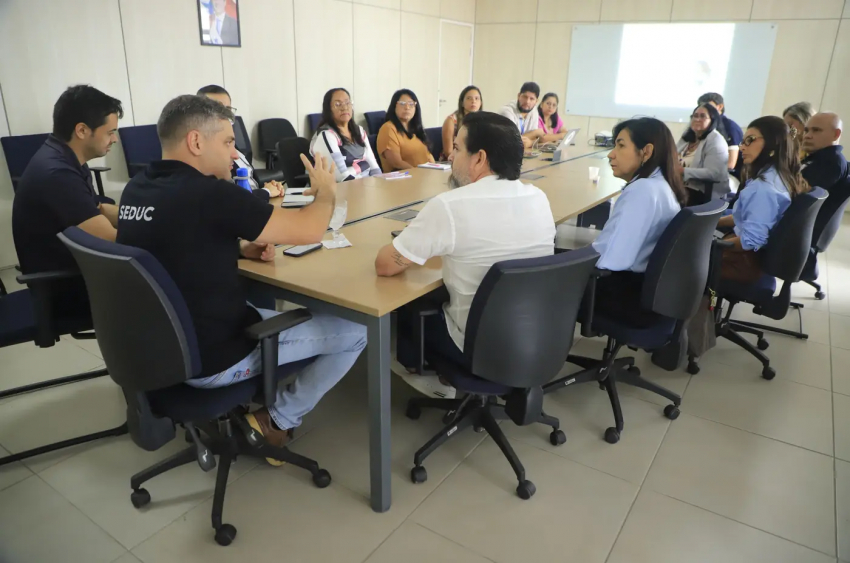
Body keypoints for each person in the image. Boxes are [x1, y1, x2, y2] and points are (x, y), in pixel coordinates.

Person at [117, 95, 366, 460]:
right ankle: (277, 419)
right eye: (229, 142)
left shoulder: (136, 189)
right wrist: (326, 193)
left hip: (159, 350)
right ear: (196, 142)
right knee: (357, 332)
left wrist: (237, 249)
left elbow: (172, 246)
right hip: (214, 357)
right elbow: (311, 229)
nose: (235, 155)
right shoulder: (211, 194)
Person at [374, 111, 555, 397]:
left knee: (410, 299)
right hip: (534, 337)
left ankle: (423, 373)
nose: (449, 157)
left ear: (479, 158)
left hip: (477, 348)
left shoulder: (449, 206)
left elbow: (385, 266)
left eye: (457, 149)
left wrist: (418, 238)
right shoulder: (539, 197)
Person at [12, 84, 123, 319]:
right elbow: (111, 239)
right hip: (66, 290)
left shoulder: (65, 157)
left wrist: (144, 215)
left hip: (76, 274)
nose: (114, 139)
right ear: (82, 130)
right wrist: (158, 229)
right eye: (110, 131)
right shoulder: (57, 173)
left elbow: (97, 209)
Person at [589, 118, 686, 327]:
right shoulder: (662, 185)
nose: (611, 154)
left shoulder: (642, 190)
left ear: (646, 152)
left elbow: (610, 260)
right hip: (648, 293)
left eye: (621, 145)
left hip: (625, 296)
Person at [715, 116, 809, 283]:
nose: (742, 147)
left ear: (773, 143)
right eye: (743, 141)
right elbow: (747, 217)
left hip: (741, 263)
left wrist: (712, 245)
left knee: (683, 253)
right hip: (752, 257)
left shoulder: (763, 188)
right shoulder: (780, 175)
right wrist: (715, 222)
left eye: (750, 140)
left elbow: (750, 242)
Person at [197, 85, 283, 199]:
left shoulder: (234, 146)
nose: (225, 116)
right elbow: (229, 198)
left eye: (227, 110)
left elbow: (250, 184)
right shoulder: (206, 155)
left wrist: (270, 187)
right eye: (217, 110)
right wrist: (266, 191)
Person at [310, 88, 381, 182]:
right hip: (341, 190)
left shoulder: (359, 131)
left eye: (347, 103)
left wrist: (380, 184)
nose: (344, 107)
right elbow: (341, 177)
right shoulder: (326, 135)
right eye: (337, 104)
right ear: (329, 109)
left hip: (365, 186)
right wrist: (362, 166)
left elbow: (374, 167)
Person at [676, 103, 730, 202]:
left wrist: (683, 171)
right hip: (679, 186)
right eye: (695, 116)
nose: (697, 119)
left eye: (702, 116)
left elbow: (714, 173)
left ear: (712, 120)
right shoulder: (686, 138)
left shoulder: (716, 140)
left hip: (700, 191)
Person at [377, 89, 434, 172]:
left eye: (411, 104)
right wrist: (418, 173)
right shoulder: (388, 129)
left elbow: (428, 156)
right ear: (394, 106)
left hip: (423, 176)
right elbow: (396, 163)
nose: (407, 107)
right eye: (402, 104)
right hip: (402, 179)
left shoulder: (416, 129)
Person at [698, 92, 744, 172]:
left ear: (720, 106)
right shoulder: (703, 126)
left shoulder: (730, 127)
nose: (704, 110)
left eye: (708, 106)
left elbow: (731, 164)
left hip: (727, 175)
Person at [801, 112, 847, 192]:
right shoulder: (818, 158)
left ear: (836, 134)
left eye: (816, 130)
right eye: (806, 131)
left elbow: (798, 196)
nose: (807, 136)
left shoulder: (831, 162)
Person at [441, 86, 482, 160]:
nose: (473, 101)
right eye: (469, 98)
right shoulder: (451, 121)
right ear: (462, 103)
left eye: (477, 98)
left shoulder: (483, 121)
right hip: (453, 161)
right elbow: (448, 151)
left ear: (481, 103)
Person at [499, 82, 543, 149]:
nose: (527, 101)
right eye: (525, 97)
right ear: (519, 96)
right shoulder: (507, 111)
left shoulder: (534, 111)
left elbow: (534, 139)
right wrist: (535, 132)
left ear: (536, 101)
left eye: (532, 99)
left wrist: (531, 142)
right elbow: (513, 140)